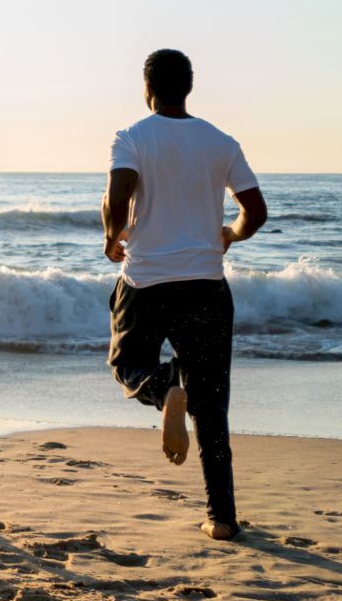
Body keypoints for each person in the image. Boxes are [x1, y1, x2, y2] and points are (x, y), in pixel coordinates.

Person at [101, 48, 267, 540]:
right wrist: (229, 235)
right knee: (212, 405)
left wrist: (113, 236)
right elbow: (254, 211)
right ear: (189, 87)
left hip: (146, 281)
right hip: (206, 284)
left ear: (146, 87)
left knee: (127, 363)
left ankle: (163, 388)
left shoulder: (132, 136)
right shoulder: (221, 141)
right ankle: (222, 518)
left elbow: (118, 195)